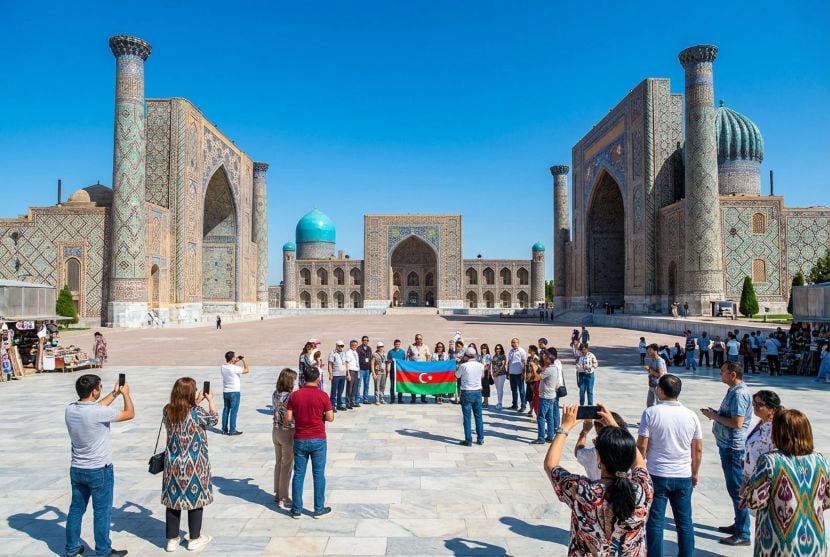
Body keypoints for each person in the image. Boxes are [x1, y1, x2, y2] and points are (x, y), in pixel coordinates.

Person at [545, 404, 652, 556]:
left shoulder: (583, 492)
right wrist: (616, 428)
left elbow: (550, 464)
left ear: (599, 457)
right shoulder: (643, 490)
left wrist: (565, 427)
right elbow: (640, 463)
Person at [741, 409, 830, 557]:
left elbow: (754, 501)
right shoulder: (820, 461)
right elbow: (827, 499)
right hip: (814, 541)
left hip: (779, 542)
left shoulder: (770, 461)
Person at [64, 374, 134, 557]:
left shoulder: (70, 409)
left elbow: (96, 407)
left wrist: (114, 393)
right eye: (100, 388)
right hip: (99, 470)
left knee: (76, 508)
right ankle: (103, 550)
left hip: (77, 468)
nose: (101, 389)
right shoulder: (97, 413)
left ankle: (72, 547)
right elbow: (129, 414)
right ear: (94, 391)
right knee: (102, 512)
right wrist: (126, 394)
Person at [637, 374, 703, 557]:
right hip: (683, 475)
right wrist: (695, 472)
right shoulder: (691, 416)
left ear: (660, 390)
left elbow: (642, 445)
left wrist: (638, 469)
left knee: (655, 521)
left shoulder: (651, 413)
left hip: (657, 473)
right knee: (684, 521)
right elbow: (697, 449)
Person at [162, 377, 218, 552]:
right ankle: (194, 538)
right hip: (195, 463)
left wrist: (195, 403)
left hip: (173, 463)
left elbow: (183, 413)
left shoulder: (167, 410)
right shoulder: (196, 412)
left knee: (173, 500)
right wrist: (211, 400)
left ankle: (172, 539)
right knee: (195, 499)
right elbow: (214, 420)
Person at [700, 361, 753, 546]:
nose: (720, 374)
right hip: (727, 445)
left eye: (723, 372)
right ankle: (739, 523)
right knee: (734, 489)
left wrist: (714, 416)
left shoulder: (739, 394)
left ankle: (743, 532)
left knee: (737, 490)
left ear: (732, 374)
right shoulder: (733, 391)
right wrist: (715, 413)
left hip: (733, 447)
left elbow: (737, 423)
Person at [285, 365, 334, 519]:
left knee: (298, 474)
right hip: (318, 438)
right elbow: (330, 417)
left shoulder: (294, 396)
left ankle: (296, 509)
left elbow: (287, 419)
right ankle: (318, 508)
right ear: (318, 378)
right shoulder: (323, 395)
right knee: (318, 474)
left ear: (304, 378)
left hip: (300, 438)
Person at [574, 411, 629, 481]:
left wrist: (584, 431)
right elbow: (639, 463)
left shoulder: (594, 453)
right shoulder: (629, 450)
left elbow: (578, 452)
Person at [742, 390, 781, 481]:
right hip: (751, 476)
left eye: (760, 404)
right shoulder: (760, 423)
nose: (755, 406)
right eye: (754, 403)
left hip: (765, 479)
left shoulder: (775, 429)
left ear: (773, 409)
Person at [272, 368, 296, 508]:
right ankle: (284, 496)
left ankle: (277, 492)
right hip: (287, 431)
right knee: (286, 465)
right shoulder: (290, 396)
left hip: (275, 430)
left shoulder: (276, 393)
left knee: (278, 463)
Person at [532, 348, 563, 444]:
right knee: (549, 417)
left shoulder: (549, 370)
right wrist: (539, 367)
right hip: (551, 396)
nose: (543, 359)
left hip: (545, 397)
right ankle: (550, 436)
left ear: (549, 360)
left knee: (541, 417)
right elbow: (543, 372)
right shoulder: (554, 368)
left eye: (545, 358)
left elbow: (537, 377)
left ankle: (541, 438)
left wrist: (533, 367)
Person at [456, 346, 485, 446]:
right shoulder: (480, 365)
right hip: (477, 392)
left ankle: (468, 440)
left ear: (466, 356)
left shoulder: (463, 366)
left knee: (467, 418)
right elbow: (482, 376)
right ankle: (480, 438)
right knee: (479, 417)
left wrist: (460, 364)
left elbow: (457, 375)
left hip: (467, 392)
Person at [220, 351, 248, 435]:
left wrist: (236, 360)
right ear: (232, 358)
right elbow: (246, 370)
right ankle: (232, 430)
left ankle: (224, 429)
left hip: (226, 392)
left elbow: (231, 365)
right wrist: (243, 360)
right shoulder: (234, 368)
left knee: (226, 410)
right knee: (234, 412)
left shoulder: (223, 367)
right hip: (234, 392)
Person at [406, 333, 430, 403]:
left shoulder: (426, 346)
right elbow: (408, 356)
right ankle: (413, 399)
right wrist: (407, 365)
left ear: (422, 339)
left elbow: (428, 356)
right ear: (415, 339)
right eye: (417, 339)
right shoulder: (411, 346)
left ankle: (423, 398)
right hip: (413, 368)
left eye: (420, 339)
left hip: (423, 368)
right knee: (413, 383)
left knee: (423, 383)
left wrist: (428, 366)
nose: (418, 340)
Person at [507, 338, 527, 411]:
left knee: (521, 390)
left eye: (515, 342)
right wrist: (507, 372)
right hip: (512, 373)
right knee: (513, 390)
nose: (514, 343)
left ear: (518, 343)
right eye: (512, 342)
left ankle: (523, 405)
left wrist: (523, 373)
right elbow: (509, 362)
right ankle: (514, 405)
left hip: (519, 373)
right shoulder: (511, 351)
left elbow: (524, 362)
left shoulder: (521, 351)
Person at [645, 343, 667, 408]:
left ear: (655, 350)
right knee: (649, 403)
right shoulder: (652, 359)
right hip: (652, 384)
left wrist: (650, 370)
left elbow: (660, 374)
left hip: (658, 385)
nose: (648, 352)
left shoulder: (659, 360)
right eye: (648, 350)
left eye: (650, 350)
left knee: (659, 403)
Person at [327, 341, 348, 411]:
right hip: (336, 374)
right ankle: (332, 405)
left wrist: (347, 373)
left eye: (342, 346)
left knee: (340, 390)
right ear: (336, 346)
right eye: (339, 346)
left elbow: (345, 363)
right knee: (334, 390)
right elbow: (330, 364)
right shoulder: (333, 353)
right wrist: (330, 374)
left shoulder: (343, 353)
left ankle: (339, 404)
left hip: (343, 374)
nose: (340, 347)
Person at [386, 339, 406, 403]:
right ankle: (392, 399)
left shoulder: (402, 352)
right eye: (396, 344)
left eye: (398, 344)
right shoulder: (390, 352)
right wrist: (391, 360)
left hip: (400, 371)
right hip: (392, 371)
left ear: (400, 345)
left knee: (400, 385)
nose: (397, 345)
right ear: (394, 344)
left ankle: (400, 399)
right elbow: (388, 361)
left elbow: (403, 362)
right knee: (392, 385)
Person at [524, 345, 541, 418]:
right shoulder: (529, 358)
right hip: (529, 379)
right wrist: (525, 376)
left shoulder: (536, 359)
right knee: (529, 395)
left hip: (534, 380)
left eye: (530, 349)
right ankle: (531, 409)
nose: (528, 350)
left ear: (533, 351)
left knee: (534, 395)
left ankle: (534, 410)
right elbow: (526, 368)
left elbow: (538, 369)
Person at [356, 336, 373, 405]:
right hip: (361, 369)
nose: (365, 341)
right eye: (364, 340)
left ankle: (365, 399)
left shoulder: (369, 348)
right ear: (362, 341)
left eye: (366, 340)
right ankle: (357, 399)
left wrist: (371, 369)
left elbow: (370, 358)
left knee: (366, 385)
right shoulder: (359, 349)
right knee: (358, 385)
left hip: (367, 369)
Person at [344, 340, 360, 409]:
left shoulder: (355, 352)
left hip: (356, 371)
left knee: (355, 388)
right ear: (350, 345)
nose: (354, 346)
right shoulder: (348, 353)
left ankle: (352, 402)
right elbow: (346, 363)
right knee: (349, 388)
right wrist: (348, 374)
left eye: (356, 345)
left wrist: (358, 372)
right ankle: (348, 403)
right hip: (351, 371)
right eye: (353, 345)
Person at [491, 343, 507, 410]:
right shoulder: (494, 356)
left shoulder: (503, 356)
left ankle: (500, 403)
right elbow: (493, 365)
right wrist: (493, 373)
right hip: (495, 375)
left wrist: (497, 372)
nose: (498, 350)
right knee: (498, 389)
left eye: (499, 348)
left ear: (501, 349)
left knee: (500, 389)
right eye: (497, 348)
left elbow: (503, 365)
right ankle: (498, 402)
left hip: (501, 374)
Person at [479, 343, 493, 408]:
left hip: (485, 373)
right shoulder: (480, 356)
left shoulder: (488, 356)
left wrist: (482, 370)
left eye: (484, 348)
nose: (483, 350)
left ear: (487, 349)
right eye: (482, 348)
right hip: (480, 373)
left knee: (486, 387)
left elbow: (487, 365)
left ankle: (486, 401)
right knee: (481, 387)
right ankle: (484, 401)